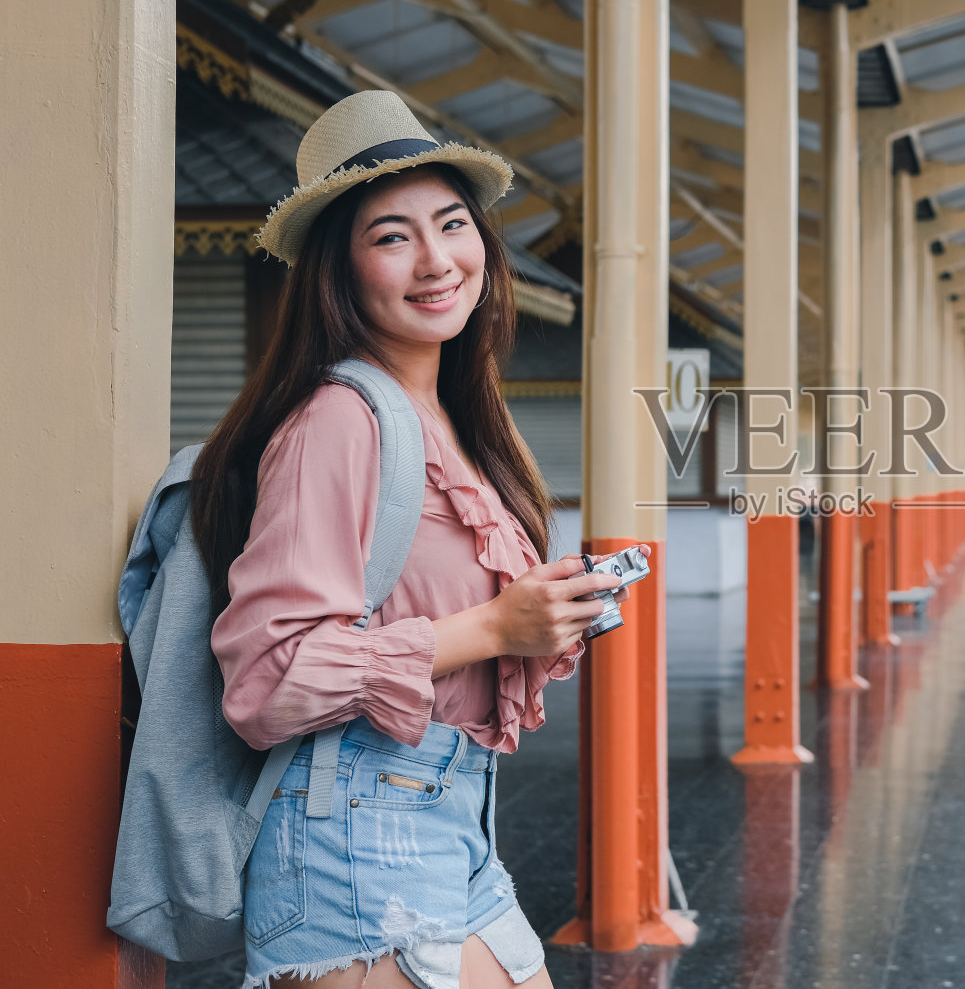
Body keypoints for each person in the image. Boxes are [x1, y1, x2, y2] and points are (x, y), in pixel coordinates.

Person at [190, 91, 633, 989]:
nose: (436, 261)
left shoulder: (454, 418)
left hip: (453, 819)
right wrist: (492, 631)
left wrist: (543, 618)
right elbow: (267, 680)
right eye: (392, 236)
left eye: (452, 224)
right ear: (339, 271)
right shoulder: (337, 422)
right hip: (356, 833)